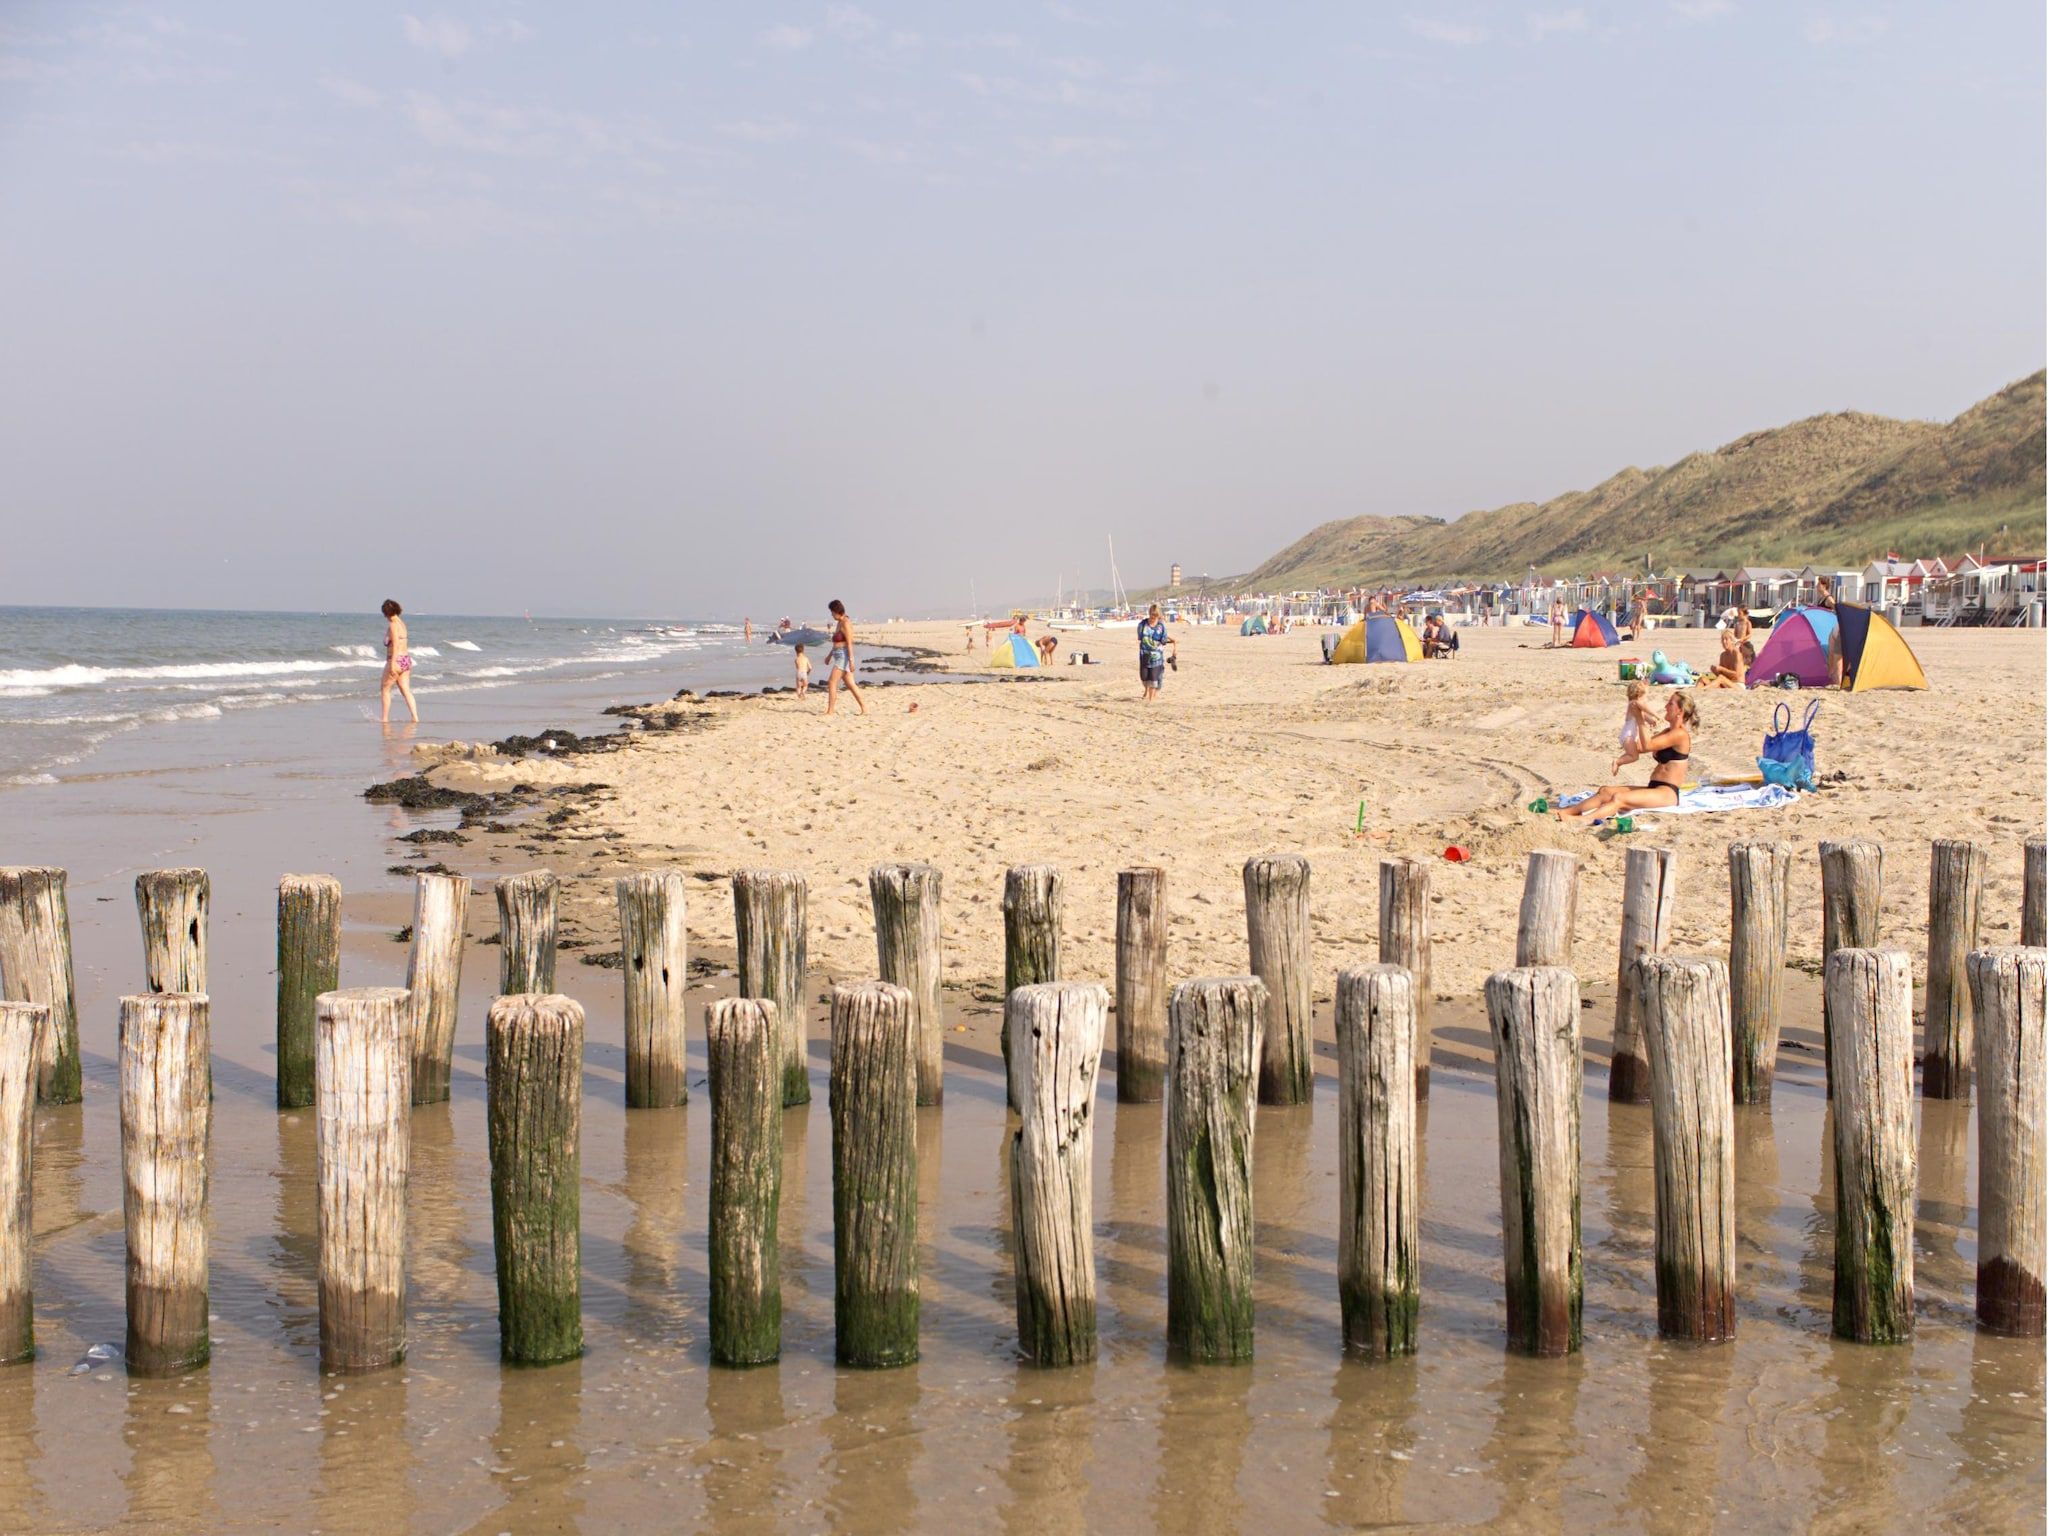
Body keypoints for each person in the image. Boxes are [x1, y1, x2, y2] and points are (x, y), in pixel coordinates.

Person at [1560, 690, 1697, 821]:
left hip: (1667, 793)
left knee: (1619, 798)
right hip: (1654, 787)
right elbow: (1640, 748)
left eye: (1670, 704)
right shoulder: (1668, 731)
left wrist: (1640, 718)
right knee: (1605, 791)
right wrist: (1628, 732)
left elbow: (1647, 745)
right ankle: (1567, 812)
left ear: (1680, 711)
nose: (1666, 706)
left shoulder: (1680, 734)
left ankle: (1583, 820)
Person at [379, 599, 419, 724]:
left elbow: (395, 644)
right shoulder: (401, 623)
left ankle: (385, 719)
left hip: (396, 659)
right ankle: (415, 717)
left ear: (386, 613)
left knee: (385, 689)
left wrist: (392, 664)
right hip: (406, 659)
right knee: (405, 690)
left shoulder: (393, 625)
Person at [824, 599, 866, 716]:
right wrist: (829, 656)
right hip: (838, 655)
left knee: (832, 682)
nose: (831, 615)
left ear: (837, 611)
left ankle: (830, 711)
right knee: (851, 685)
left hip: (843, 656)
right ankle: (864, 708)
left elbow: (849, 643)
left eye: (832, 612)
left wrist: (851, 661)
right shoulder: (839, 622)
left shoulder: (846, 623)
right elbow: (836, 644)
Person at [1613, 680, 1660, 769]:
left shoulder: (1636, 707)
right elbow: (1644, 708)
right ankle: (1617, 762)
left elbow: (1643, 715)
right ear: (1639, 695)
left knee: (1644, 748)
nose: (1646, 700)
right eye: (1645, 697)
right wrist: (1655, 714)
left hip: (1633, 736)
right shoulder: (1633, 703)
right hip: (1628, 736)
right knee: (1634, 756)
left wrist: (1650, 720)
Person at [1138, 602, 1175, 701]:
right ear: (1149, 613)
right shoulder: (1142, 624)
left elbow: (1163, 639)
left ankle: (1151, 699)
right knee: (1144, 677)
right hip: (1144, 654)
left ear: (1158, 615)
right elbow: (1140, 638)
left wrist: (1171, 641)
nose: (1153, 617)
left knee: (1153, 678)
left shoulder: (1161, 626)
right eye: (1152, 614)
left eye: (1156, 615)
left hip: (1157, 656)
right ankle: (1146, 690)